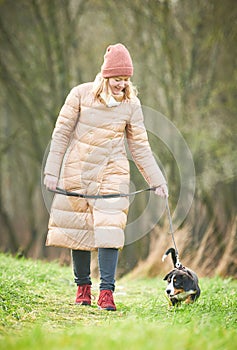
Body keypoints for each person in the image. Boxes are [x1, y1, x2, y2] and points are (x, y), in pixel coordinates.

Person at [44, 43, 168, 311]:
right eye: (117, 79)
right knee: (79, 231)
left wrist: (156, 180)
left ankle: (107, 292)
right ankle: (83, 288)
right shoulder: (79, 95)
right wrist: (51, 172)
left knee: (110, 229)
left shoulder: (131, 105)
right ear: (105, 76)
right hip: (77, 170)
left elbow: (140, 146)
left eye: (125, 80)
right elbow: (61, 134)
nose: (121, 85)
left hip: (113, 173)